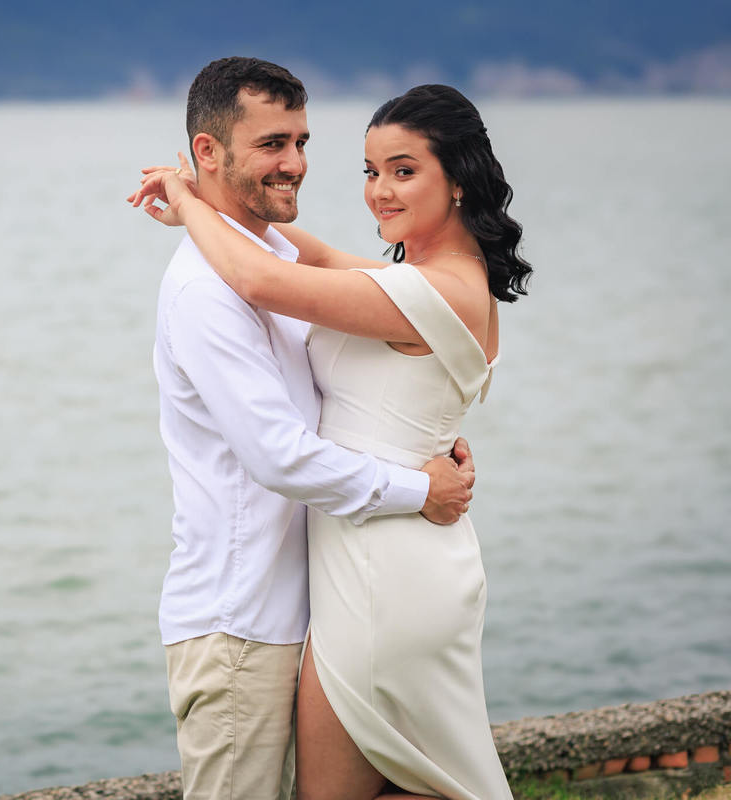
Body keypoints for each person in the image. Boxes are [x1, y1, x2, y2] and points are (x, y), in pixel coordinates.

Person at [131, 79, 532, 800]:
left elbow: (261, 277)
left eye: (404, 171)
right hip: (383, 558)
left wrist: (190, 201)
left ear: (461, 181)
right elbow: (297, 253)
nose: (380, 191)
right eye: (372, 171)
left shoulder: (436, 291)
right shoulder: (422, 280)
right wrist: (205, 208)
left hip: (387, 568)